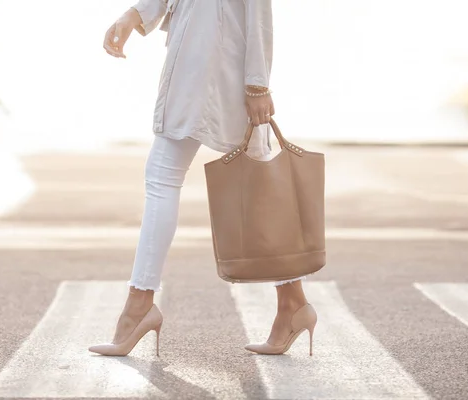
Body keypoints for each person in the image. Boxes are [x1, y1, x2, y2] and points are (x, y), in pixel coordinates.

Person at [89, 0, 317, 357]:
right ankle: (293, 304)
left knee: (185, 180)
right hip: (198, 55)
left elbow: (259, 10)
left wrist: (258, 85)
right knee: (257, 189)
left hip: (218, 65)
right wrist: (134, 15)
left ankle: (139, 306)